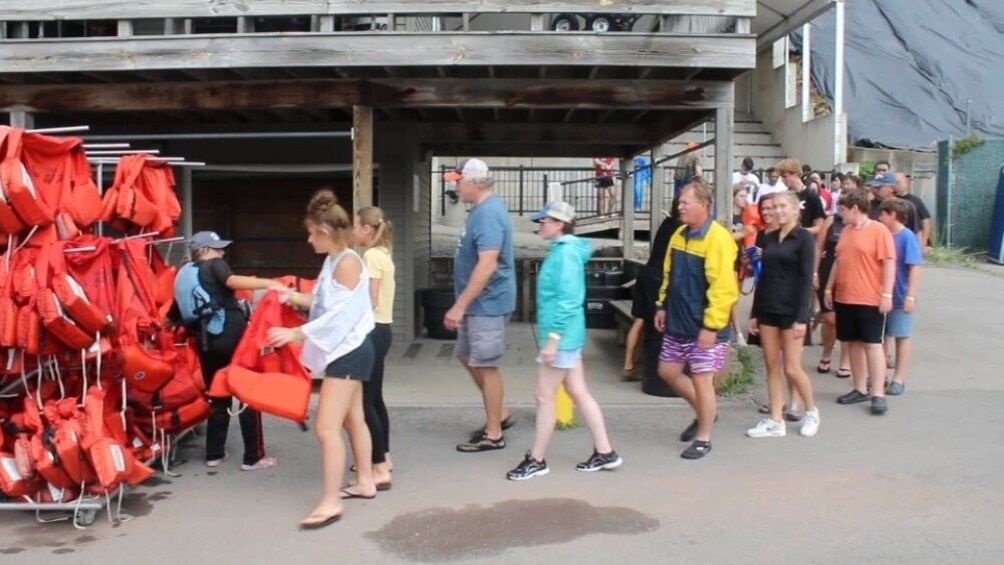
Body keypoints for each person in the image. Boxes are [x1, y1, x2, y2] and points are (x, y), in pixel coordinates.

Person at [267, 190, 377, 529]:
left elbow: (341, 315)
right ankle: (366, 481)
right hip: (351, 348)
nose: (308, 238)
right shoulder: (337, 259)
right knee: (353, 419)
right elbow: (323, 302)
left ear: (325, 232)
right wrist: (294, 296)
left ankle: (331, 501)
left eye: (312, 232)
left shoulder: (345, 262)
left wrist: (297, 334)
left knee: (326, 427)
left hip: (349, 350)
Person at [507, 201, 623, 480]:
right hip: (567, 336)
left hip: (562, 337)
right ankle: (605, 452)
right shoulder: (566, 251)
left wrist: (553, 340)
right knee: (578, 393)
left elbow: (568, 301)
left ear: (559, 224)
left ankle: (537, 459)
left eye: (544, 221)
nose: (540, 225)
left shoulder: (564, 254)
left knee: (544, 396)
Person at [172, 231, 283, 472]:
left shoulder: (183, 276)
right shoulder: (215, 265)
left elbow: (173, 316)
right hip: (232, 337)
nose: (222, 252)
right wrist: (268, 283)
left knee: (217, 395)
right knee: (247, 394)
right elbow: (232, 282)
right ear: (204, 250)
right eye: (217, 248)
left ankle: (214, 453)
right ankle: (253, 457)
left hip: (205, 343)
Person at [654, 179, 739, 460]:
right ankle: (706, 412)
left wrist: (711, 326)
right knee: (667, 372)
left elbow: (724, 289)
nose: (679, 207)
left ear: (704, 205)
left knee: (703, 380)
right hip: (678, 320)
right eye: (680, 202)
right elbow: (669, 273)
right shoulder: (679, 234)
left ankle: (704, 438)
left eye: (684, 202)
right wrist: (661, 305)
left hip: (704, 326)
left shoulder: (719, 240)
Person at [443, 159, 517, 452]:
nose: (455, 185)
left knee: (486, 365)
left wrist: (460, 305)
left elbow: (487, 263)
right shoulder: (480, 211)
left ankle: (495, 433)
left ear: (474, 182)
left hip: (488, 302)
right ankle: (500, 413)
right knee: (467, 356)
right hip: (479, 303)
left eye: (458, 180)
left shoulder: (488, 215)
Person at [746, 191, 820, 438]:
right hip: (768, 307)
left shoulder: (804, 239)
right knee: (771, 364)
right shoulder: (768, 238)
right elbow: (762, 277)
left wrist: (802, 318)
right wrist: (754, 313)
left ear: (795, 209)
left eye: (782, 206)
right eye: (774, 207)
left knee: (792, 368)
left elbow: (806, 279)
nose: (777, 211)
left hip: (792, 312)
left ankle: (811, 410)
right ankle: (775, 419)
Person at [824, 189, 896, 416]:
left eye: (843, 209)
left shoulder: (879, 230)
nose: (840, 214)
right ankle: (859, 387)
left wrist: (886, 294)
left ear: (855, 209)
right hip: (845, 296)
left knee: (872, 344)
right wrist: (829, 287)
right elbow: (838, 260)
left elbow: (888, 263)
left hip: (869, 297)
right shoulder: (845, 231)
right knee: (852, 343)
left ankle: (877, 393)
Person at [353, 206, 396, 485]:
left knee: (365, 402)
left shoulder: (370, 255)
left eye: (356, 226)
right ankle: (385, 456)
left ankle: (377, 462)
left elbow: (372, 299)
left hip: (371, 330)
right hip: (384, 329)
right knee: (375, 398)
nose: (354, 231)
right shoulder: (384, 254)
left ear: (367, 230)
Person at [623, 198, 684, 382]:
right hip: (659, 278)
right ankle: (658, 370)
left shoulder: (667, 223)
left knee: (639, 321)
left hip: (645, 273)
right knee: (655, 325)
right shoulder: (681, 229)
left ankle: (628, 365)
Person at [877, 199, 924, 396]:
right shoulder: (883, 235)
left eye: (883, 214)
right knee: (879, 337)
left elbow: (915, 267)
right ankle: (881, 376)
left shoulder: (907, 237)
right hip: (880, 295)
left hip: (900, 295)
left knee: (902, 336)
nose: (879, 217)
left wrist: (910, 296)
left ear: (893, 215)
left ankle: (899, 377)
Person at [777, 159, 826, 236]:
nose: (783, 180)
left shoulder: (811, 196)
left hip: (805, 241)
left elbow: (819, 227)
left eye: (785, 177)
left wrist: (799, 231)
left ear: (796, 174)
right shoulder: (784, 196)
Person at [895, 172, 933, 251]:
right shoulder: (891, 201)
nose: (895, 185)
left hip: (914, 239)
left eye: (898, 182)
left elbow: (926, 221)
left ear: (906, 183)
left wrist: (923, 243)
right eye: (893, 182)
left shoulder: (915, 201)